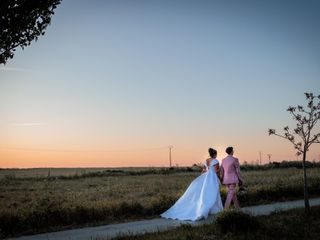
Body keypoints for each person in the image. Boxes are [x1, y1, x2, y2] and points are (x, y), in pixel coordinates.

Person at [160, 148, 223, 221]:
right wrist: (221, 178)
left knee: (205, 193)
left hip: (205, 177)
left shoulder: (206, 160)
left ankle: (210, 209)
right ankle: (205, 210)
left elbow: (203, 170)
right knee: (212, 193)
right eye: (216, 154)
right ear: (215, 154)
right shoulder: (216, 161)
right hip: (212, 178)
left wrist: (201, 178)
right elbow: (216, 171)